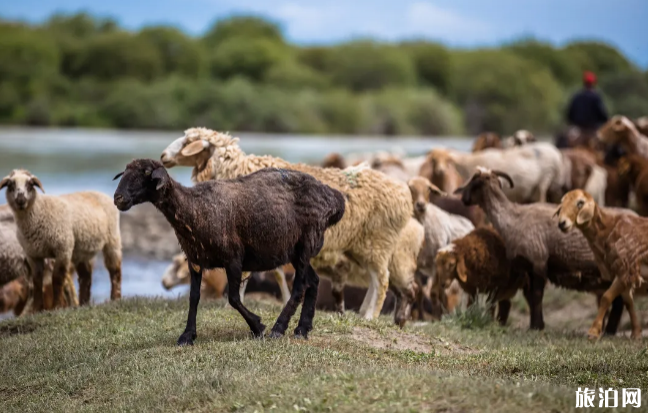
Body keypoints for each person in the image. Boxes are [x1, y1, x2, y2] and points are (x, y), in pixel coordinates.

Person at [559, 71, 608, 148]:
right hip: (592, 130)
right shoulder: (596, 97)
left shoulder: (577, 96)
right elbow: (602, 115)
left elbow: (569, 114)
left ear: (584, 82)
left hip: (576, 128)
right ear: (593, 83)